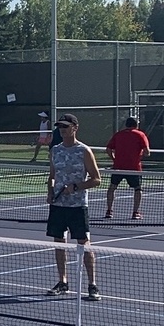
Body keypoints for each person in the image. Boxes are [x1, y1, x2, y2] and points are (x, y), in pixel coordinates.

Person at [46, 114, 101, 301]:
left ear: (75, 128)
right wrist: (50, 191)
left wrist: (76, 187)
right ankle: (62, 282)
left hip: (78, 206)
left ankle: (92, 285)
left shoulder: (84, 151)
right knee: (59, 243)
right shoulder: (55, 150)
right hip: (58, 206)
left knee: (84, 244)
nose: (62, 129)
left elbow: (96, 179)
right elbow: (52, 175)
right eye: (60, 126)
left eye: (65, 126)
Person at [104, 116, 150, 220]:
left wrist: (114, 159)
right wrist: (139, 155)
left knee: (112, 188)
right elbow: (147, 152)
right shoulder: (140, 135)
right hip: (134, 168)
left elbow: (108, 149)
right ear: (137, 125)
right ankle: (135, 212)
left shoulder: (118, 135)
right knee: (138, 189)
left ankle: (109, 211)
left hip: (118, 167)